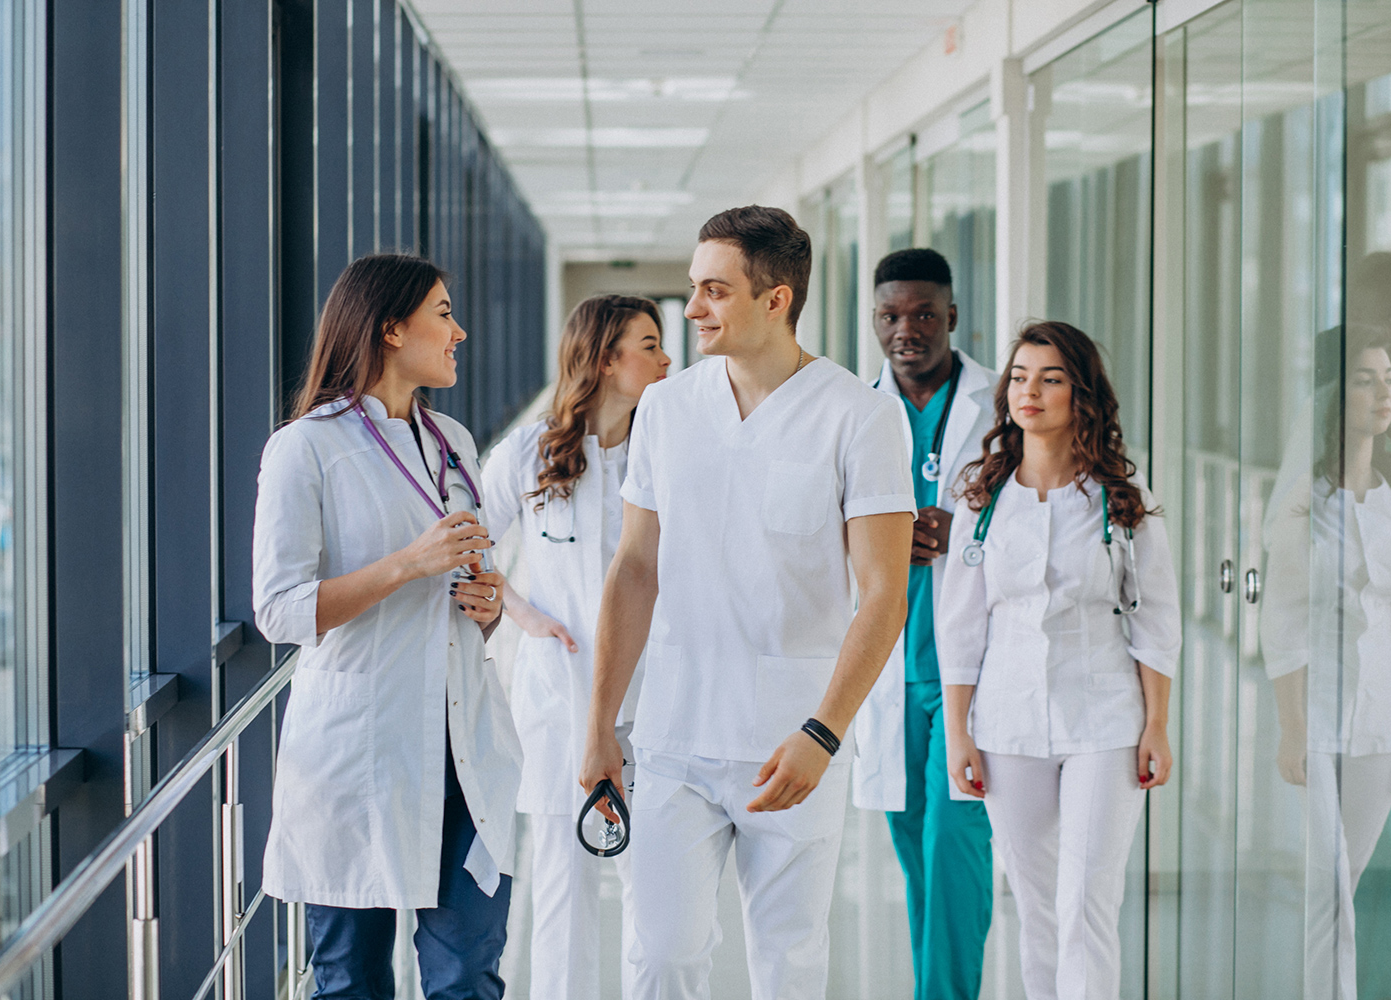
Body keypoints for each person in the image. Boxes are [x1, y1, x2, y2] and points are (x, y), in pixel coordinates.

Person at [577, 206, 913, 1000]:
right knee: (659, 958)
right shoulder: (666, 409)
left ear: (776, 299)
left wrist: (823, 734)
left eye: (713, 292)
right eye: (694, 289)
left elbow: (885, 593)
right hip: (673, 739)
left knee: (789, 963)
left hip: (793, 744)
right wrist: (598, 728)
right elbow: (634, 570)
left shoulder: (858, 416)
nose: (690, 310)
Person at [253, 254, 520, 999]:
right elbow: (278, 611)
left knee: (468, 975)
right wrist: (406, 564)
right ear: (392, 329)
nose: (459, 330)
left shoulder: (455, 443)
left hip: (464, 750)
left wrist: (489, 605)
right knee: (350, 982)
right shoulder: (305, 448)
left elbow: (468, 583)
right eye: (443, 313)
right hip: (358, 755)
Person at [938, 321, 1181, 1000]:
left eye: (1050, 379)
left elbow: (1156, 620)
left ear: (1082, 394)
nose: (1030, 392)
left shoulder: (1125, 500)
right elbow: (959, 628)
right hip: (1007, 723)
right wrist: (959, 731)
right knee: (1038, 906)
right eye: (1019, 377)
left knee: (1085, 904)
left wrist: (1157, 723)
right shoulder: (980, 499)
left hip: (1105, 721)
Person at [481, 295, 670, 1000]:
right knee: (562, 886)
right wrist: (522, 613)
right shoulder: (531, 453)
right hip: (559, 701)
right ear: (604, 360)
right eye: (649, 344)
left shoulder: (670, 452)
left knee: (655, 897)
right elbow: (466, 541)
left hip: (655, 701)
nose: (666, 358)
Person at [1260, 326, 1391, 1000]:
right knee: (1326, 889)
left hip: (1381, 724)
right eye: (1365, 379)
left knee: (1346, 889)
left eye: (1388, 378)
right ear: (1334, 395)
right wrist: (1292, 725)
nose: (1383, 392)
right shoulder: (1306, 501)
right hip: (1317, 716)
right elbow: (1283, 618)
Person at [850, 248, 995, 1000]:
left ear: (953, 318)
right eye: (891, 316)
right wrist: (874, 533)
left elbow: (1039, 512)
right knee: (916, 854)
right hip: (888, 666)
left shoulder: (1002, 404)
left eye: (925, 315)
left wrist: (968, 526)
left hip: (969, 667)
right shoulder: (853, 406)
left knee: (955, 845)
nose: (908, 330)